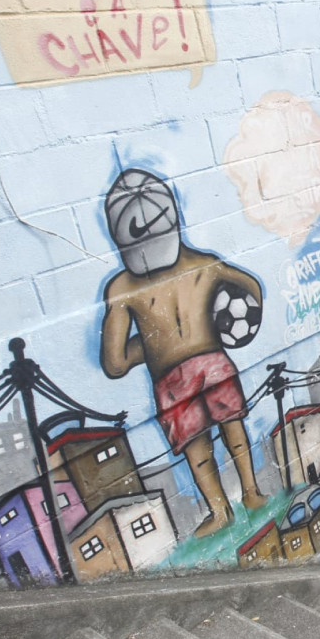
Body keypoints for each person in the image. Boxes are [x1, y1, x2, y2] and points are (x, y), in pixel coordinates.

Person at [99, 169, 266, 539]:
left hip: (170, 381)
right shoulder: (203, 264)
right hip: (214, 361)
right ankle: (251, 494)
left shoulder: (122, 288)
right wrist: (228, 322)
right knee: (233, 430)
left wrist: (155, 341)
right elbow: (252, 287)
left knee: (197, 449)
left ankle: (220, 510)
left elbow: (115, 362)